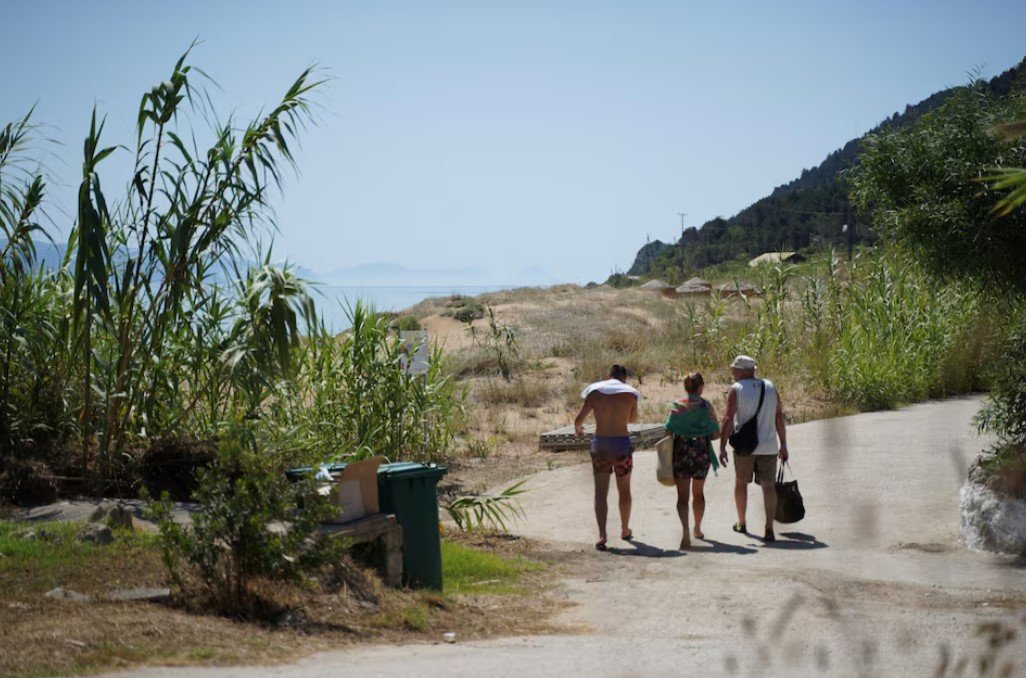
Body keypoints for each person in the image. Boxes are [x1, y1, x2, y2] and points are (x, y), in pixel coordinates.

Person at [718, 355, 789, 542]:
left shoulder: (737, 389)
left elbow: (727, 419)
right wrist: (784, 445)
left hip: (745, 446)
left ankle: (742, 522)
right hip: (769, 446)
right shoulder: (771, 387)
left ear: (742, 371)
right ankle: (769, 528)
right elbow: (778, 417)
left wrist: (722, 446)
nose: (733, 372)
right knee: (768, 486)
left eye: (734, 369)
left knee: (741, 482)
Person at [574, 364, 640, 551]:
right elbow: (633, 419)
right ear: (624, 379)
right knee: (624, 490)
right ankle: (625, 529)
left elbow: (578, 419)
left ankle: (602, 534)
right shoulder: (630, 395)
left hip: (601, 445)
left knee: (601, 492)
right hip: (621, 446)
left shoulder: (594, 393)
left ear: (607, 375)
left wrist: (578, 430)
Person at [664, 372, 720, 549]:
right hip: (701, 453)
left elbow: (668, 431)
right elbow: (715, 434)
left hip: (681, 452)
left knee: (682, 496)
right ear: (701, 387)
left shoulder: (677, 406)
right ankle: (697, 527)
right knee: (698, 493)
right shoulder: (706, 407)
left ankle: (685, 531)